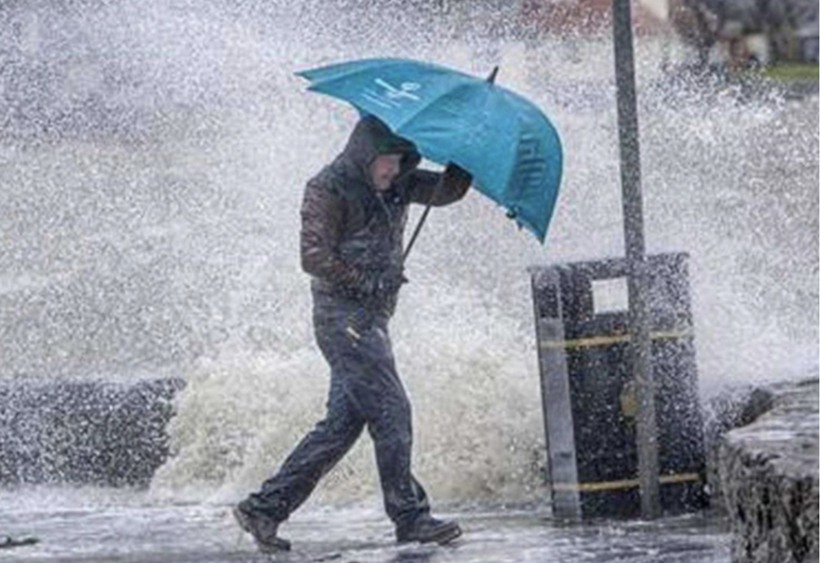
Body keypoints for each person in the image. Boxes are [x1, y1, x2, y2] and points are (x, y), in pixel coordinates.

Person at [233, 115, 472, 553]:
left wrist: (465, 156)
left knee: (341, 426)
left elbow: (446, 192)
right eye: (386, 161)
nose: (393, 171)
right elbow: (313, 257)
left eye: (401, 161)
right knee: (392, 411)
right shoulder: (327, 188)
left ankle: (264, 508)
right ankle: (411, 517)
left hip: (372, 320)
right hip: (342, 319)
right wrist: (366, 281)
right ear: (365, 154)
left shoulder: (399, 182)